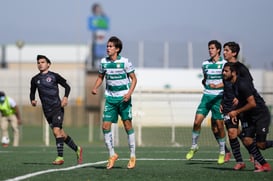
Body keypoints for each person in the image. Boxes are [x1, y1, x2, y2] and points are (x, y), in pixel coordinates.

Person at [91, 36, 137, 169]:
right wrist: (95, 87)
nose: (108, 48)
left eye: (110, 46)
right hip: (110, 99)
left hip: (124, 99)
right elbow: (100, 77)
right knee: (105, 127)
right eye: (107, 46)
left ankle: (132, 155)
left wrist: (129, 94)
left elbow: (134, 79)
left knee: (128, 126)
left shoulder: (125, 62)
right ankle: (112, 154)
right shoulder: (103, 62)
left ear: (117, 49)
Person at [30, 55, 83, 165]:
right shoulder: (35, 79)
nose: (40, 64)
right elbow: (32, 92)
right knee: (60, 134)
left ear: (48, 64)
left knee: (56, 131)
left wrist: (65, 97)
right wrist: (32, 100)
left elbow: (67, 87)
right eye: (38, 62)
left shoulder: (54, 76)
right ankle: (77, 149)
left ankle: (60, 158)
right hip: (46, 111)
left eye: (43, 62)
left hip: (57, 108)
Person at [223, 62, 273, 172]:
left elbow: (252, 103)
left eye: (226, 71)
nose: (223, 73)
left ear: (234, 73)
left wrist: (236, 112)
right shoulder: (233, 84)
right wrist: (236, 110)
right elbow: (241, 100)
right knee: (247, 140)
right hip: (250, 116)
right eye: (223, 71)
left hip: (261, 115)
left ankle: (259, 162)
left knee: (261, 145)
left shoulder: (242, 84)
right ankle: (264, 165)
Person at [186, 40, 230, 164]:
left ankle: (222, 151)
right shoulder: (205, 64)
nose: (210, 50)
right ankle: (194, 146)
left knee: (220, 125)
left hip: (219, 98)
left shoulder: (224, 64)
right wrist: (207, 84)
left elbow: (228, 81)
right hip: (206, 97)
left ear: (218, 50)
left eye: (212, 48)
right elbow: (205, 79)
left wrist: (218, 86)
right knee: (196, 121)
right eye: (209, 48)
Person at [221, 41, 254, 170]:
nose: (224, 52)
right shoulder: (225, 69)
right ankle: (240, 161)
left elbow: (249, 85)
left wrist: (239, 98)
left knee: (247, 137)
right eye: (223, 50)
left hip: (242, 105)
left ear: (234, 53)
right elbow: (226, 87)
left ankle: (254, 154)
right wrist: (222, 102)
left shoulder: (241, 68)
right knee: (231, 133)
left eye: (227, 50)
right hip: (228, 106)